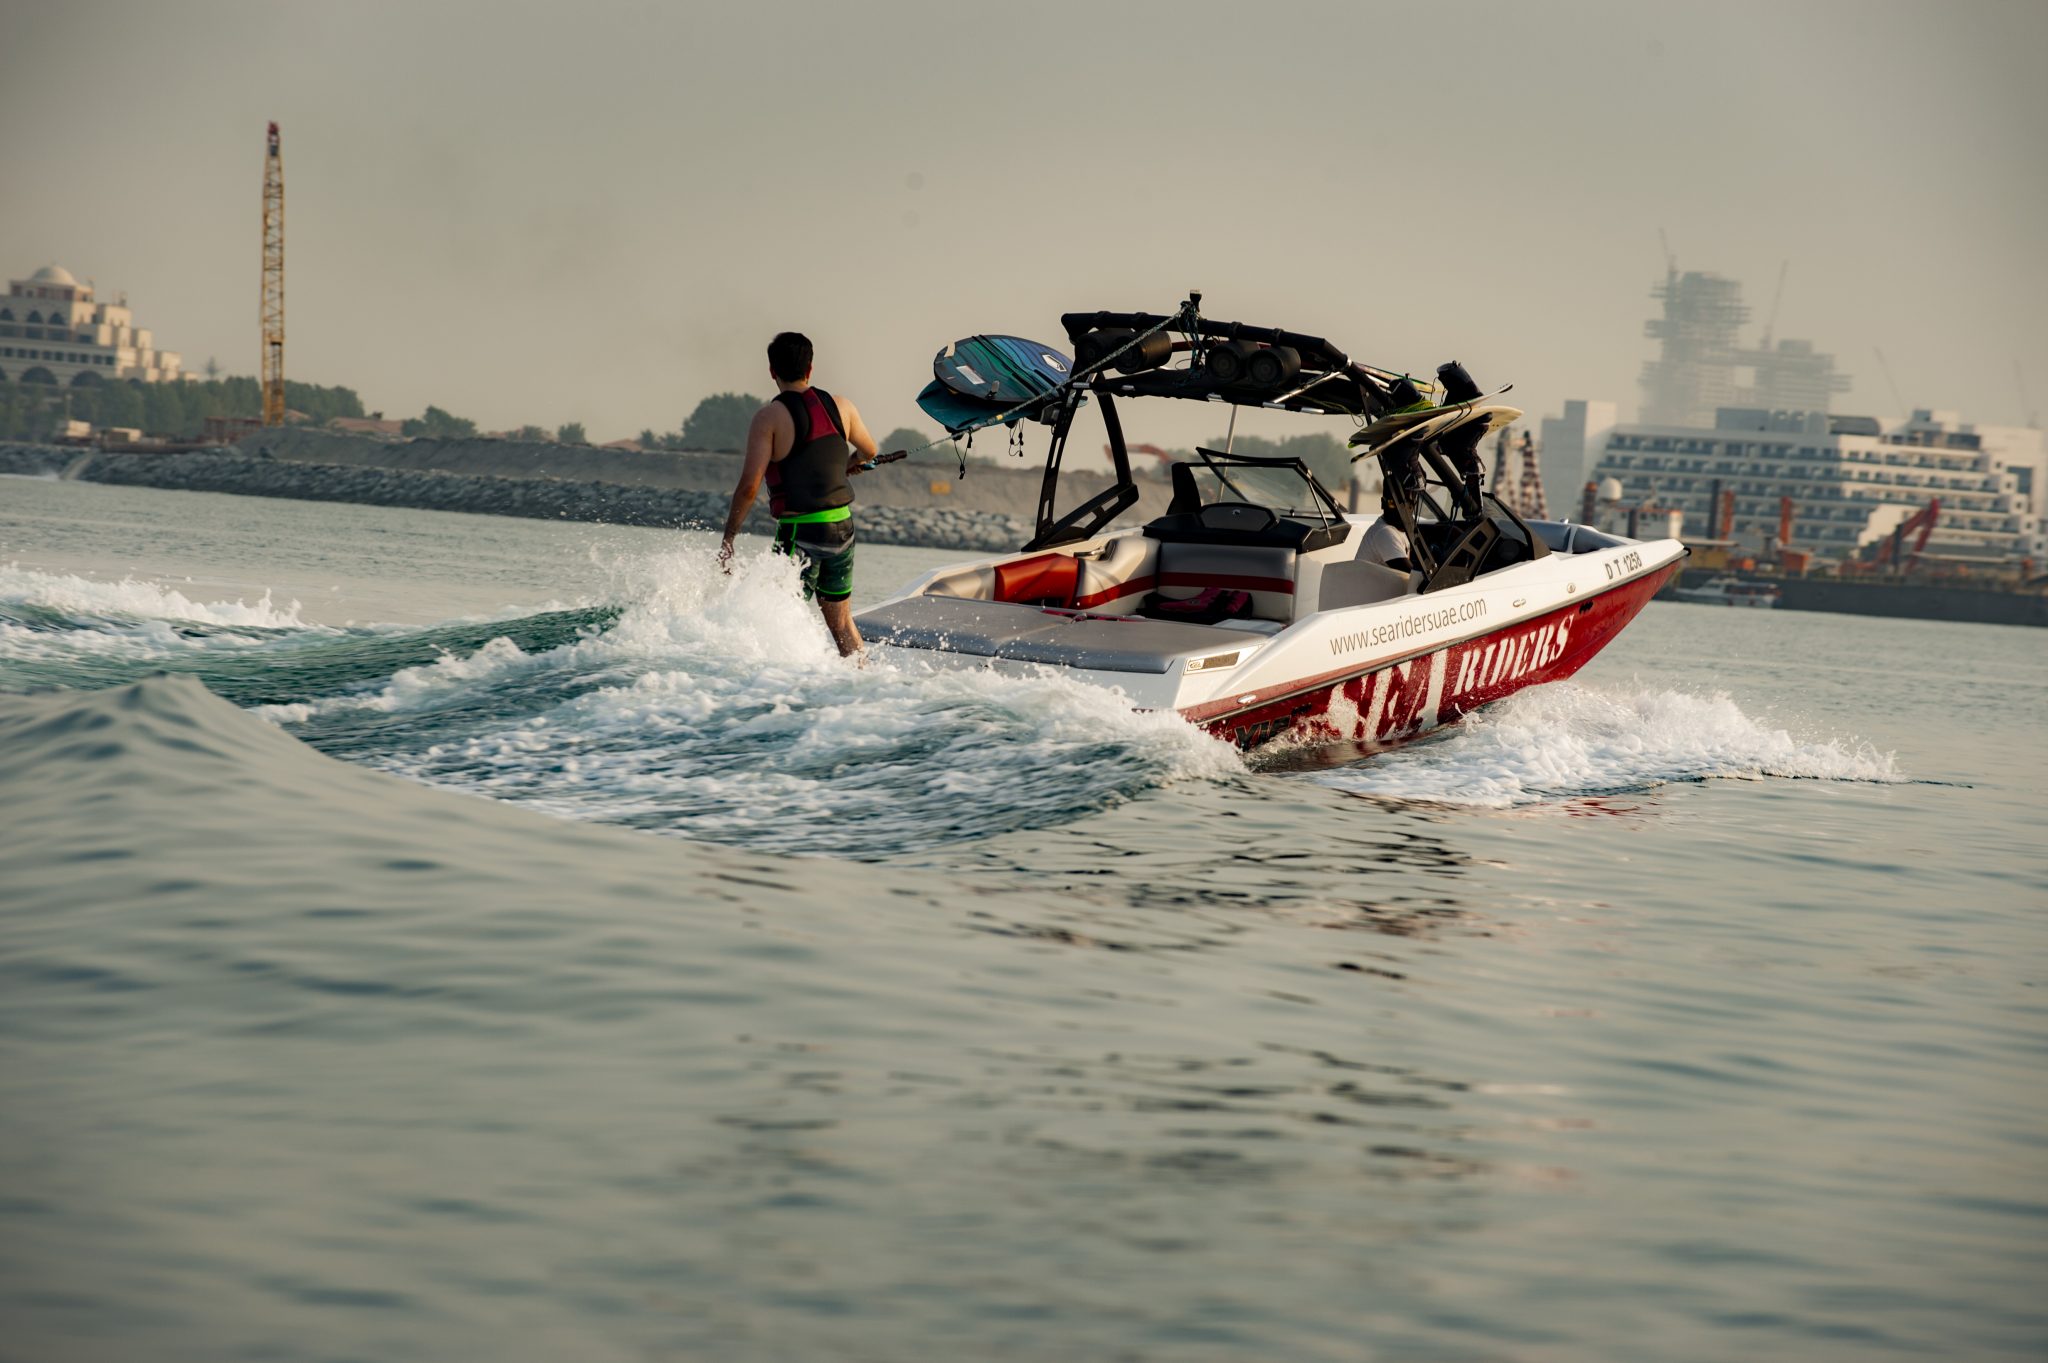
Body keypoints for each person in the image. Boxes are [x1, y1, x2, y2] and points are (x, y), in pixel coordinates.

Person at [718, 331, 881, 657]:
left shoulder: (769, 418)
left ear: (771, 371)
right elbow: (870, 451)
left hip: (801, 532)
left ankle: (780, 689)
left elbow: (750, 487)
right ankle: (862, 680)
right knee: (841, 621)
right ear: (810, 368)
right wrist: (851, 464)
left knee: (775, 617)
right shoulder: (842, 407)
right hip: (843, 530)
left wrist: (729, 537)